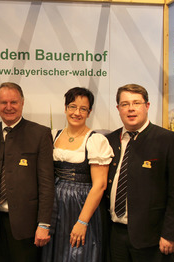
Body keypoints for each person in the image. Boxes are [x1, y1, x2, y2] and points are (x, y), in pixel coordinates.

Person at [0, 82, 55, 262]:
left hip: (26, 226)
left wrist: (43, 223)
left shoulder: (40, 134)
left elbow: (46, 184)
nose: (9, 107)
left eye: (14, 102)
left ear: (22, 103)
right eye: (4, 103)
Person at [105, 84, 174, 262]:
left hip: (152, 239)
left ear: (147, 106)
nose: (130, 108)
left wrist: (170, 234)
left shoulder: (169, 141)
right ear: (118, 108)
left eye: (136, 103)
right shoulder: (108, 140)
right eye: (125, 104)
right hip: (115, 234)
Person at [41, 87, 114, 262]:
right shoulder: (53, 136)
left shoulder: (96, 140)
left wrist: (82, 222)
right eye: (73, 107)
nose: (77, 113)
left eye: (83, 109)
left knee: (80, 253)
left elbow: (100, 185)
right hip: (55, 205)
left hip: (82, 205)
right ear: (65, 108)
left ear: (89, 113)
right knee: (55, 252)